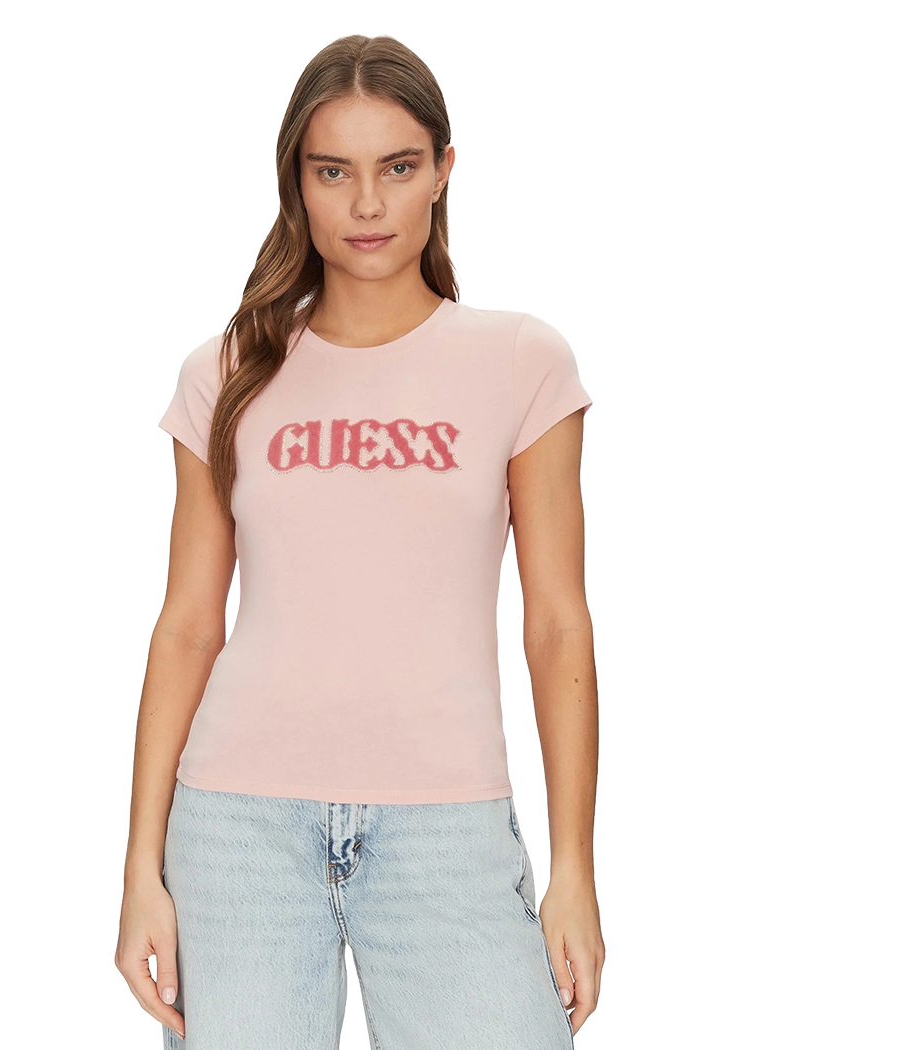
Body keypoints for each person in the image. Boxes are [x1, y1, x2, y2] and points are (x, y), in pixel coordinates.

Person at [115, 33, 605, 1050]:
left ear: (444, 171)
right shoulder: (228, 370)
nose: (368, 204)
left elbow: (558, 625)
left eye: (399, 167)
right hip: (237, 829)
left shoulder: (520, 363)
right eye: (333, 171)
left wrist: (575, 870)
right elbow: (188, 626)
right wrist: (139, 871)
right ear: (296, 181)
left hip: (448, 830)